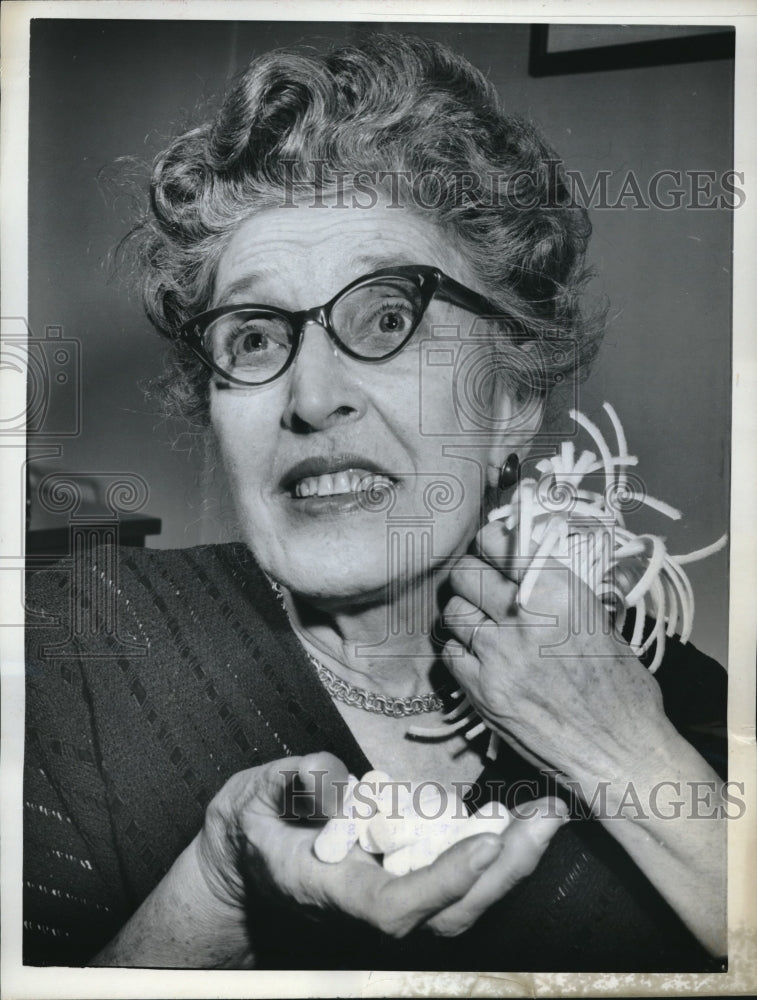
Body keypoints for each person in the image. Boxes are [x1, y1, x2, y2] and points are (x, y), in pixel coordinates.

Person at [24, 34, 727, 972]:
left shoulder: (661, 683)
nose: (312, 398)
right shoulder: (67, 652)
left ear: (511, 405)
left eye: (389, 317)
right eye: (254, 336)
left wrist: (625, 751)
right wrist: (218, 888)